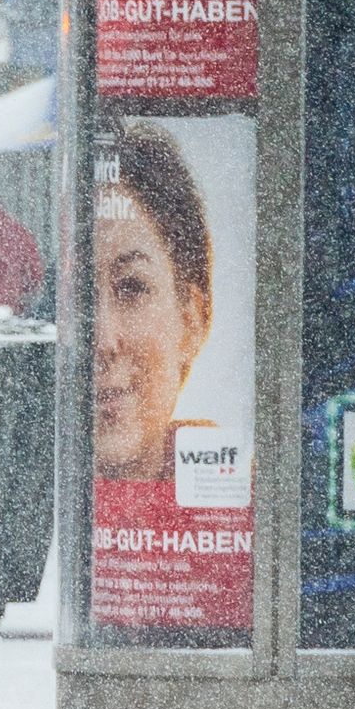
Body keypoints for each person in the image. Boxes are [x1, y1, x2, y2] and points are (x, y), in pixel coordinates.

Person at [91, 121, 215, 482]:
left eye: (131, 287)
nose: (103, 340)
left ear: (192, 319)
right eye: (79, 295)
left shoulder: (240, 492)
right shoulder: (11, 500)